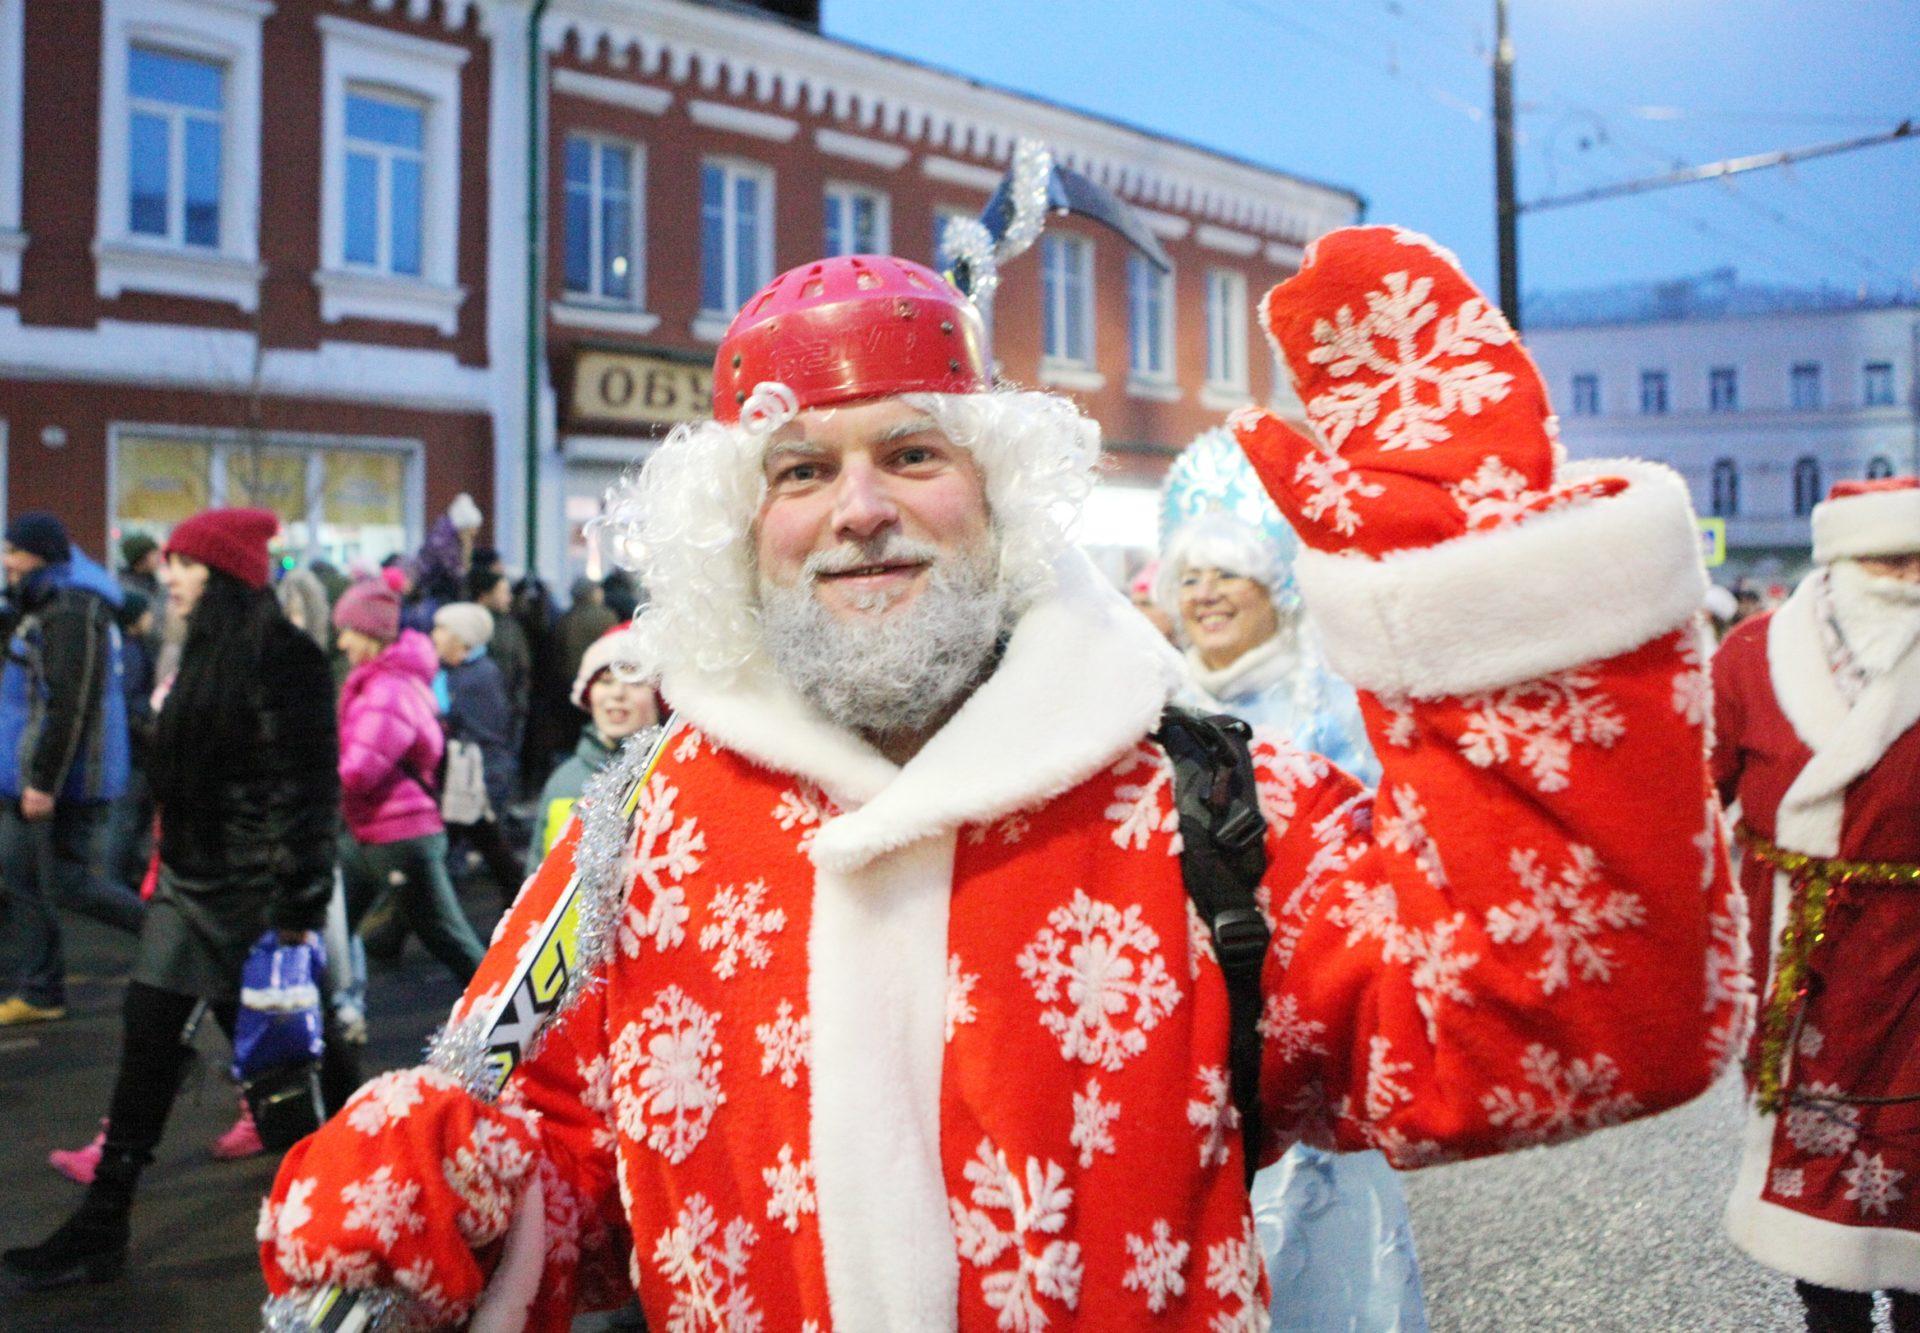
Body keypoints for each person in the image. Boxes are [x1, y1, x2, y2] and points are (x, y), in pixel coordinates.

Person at [259, 239, 1740, 1330]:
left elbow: (1578, 1025)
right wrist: (456, 1182)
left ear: (999, 498)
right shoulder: (641, 828)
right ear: (739, 524)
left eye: (912, 452)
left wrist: (1511, 652)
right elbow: (598, 1169)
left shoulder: (1196, 799)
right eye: (798, 472)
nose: (858, 510)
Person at [3, 507, 359, 1290]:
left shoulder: (284, 657)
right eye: (170, 562)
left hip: (258, 902)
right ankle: (102, 1225)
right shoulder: (195, 648)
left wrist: (296, 911)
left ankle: (359, 1213)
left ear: (225, 575)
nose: (169, 576)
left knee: (301, 1072)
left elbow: (307, 794)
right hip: (190, 891)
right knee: (147, 1045)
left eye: (186, 565)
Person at [1157, 437, 1416, 1332]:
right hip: (1184, 1031)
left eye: (1229, 574)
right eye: (1190, 579)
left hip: (1304, 1018)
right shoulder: (1151, 703)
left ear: (1276, 587)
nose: (1208, 594)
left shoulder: (1333, 705)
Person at [1715, 477, 1920, 1333]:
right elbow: (1695, 789)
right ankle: (1826, 1310)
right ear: (1839, 558)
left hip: (1915, 950)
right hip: (1803, 945)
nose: (1907, 578)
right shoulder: (1754, 652)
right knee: (1811, 1140)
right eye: (1889, 558)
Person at [0, 513, 137, 1026]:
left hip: (57, 776)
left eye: (12, 551)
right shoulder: (40, 602)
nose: (5, 561)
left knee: (69, 883)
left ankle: (177, 946)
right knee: (20, 879)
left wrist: (42, 781)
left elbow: (68, 704)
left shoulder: (72, 609)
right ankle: (39, 991)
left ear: (39, 556)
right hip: (22, 768)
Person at [334, 580, 486, 989]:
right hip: (375, 833)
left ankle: (507, 1016)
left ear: (370, 634)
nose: (342, 641)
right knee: (328, 938)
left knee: (450, 938)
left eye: (348, 630)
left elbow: (358, 771)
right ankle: (325, 1031)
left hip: (399, 837)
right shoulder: (388, 682)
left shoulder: (387, 690)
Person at [528, 623, 659, 865]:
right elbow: (538, 877)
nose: (618, 693)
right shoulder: (563, 781)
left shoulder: (674, 778)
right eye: (606, 681)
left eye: (635, 682)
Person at [432, 602, 523, 898]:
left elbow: (487, 737)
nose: (434, 636)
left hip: (474, 780)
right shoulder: (455, 672)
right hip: (464, 779)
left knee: (480, 851)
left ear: (462, 638)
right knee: (490, 851)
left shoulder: (479, 678)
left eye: (441, 629)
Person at [470, 565, 532, 761]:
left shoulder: (511, 626)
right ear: (484, 595)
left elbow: (522, 670)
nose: (509, 598)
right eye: (503, 592)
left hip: (509, 712)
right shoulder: (474, 628)